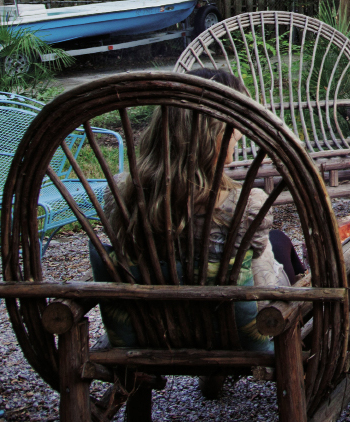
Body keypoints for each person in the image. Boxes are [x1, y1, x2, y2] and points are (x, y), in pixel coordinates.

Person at [99, 69, 306, 357]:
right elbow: (263, 289)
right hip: (231, 332)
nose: (240, 134)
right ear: (211, 132)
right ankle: (302, 356)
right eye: (233, 125)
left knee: (277, 238)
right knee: (279, 254)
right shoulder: (244, 206)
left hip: (153, 330)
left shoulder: (119, 194)